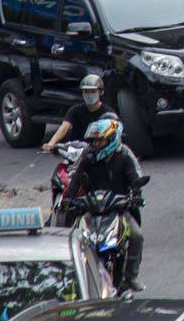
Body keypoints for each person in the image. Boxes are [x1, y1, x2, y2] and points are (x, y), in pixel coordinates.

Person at [61, 116, 144, 289]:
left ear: (112, 140)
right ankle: (71, 277)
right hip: (92, 208)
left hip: (118, 208)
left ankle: (131, 277)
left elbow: (134, 181)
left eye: (100, 140)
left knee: (137, 236)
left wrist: (136, 195)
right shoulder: (88, 159)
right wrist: (67, 198)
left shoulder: (124, 158)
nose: (96, 144)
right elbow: (76, 180)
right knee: (72, 237)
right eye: (95, 141)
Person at [43, 73, 111, 151]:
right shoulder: (75, 110)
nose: (89, 94)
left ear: (101, 92)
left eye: (93, 91)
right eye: (86, 91)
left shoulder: (108, 113)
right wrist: (51, 143)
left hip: (97, 152)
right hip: (75, 151)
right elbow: (64, 127)